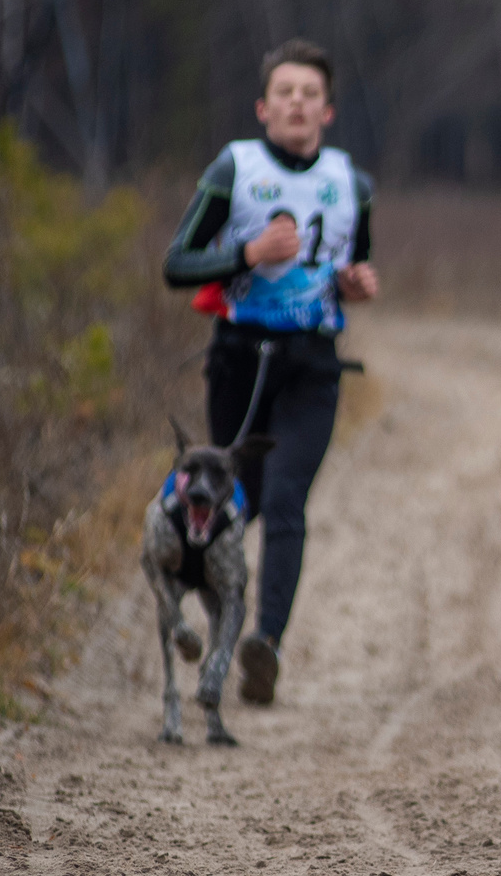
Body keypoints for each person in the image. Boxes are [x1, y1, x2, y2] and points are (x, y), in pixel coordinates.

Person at [161, 38, 377, 707]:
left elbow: (352, 267)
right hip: (239, 360)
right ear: (263, 106)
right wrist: (249, 252)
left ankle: (266, 645)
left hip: (313, 364)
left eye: (310, 93)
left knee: (286, 499)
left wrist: (357, 283)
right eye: (285, 91)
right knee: (229, 501)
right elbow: (177, 262)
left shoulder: (352, 184)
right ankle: (194, 607)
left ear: (328, 111)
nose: (297, 103)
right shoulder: (235, 168)